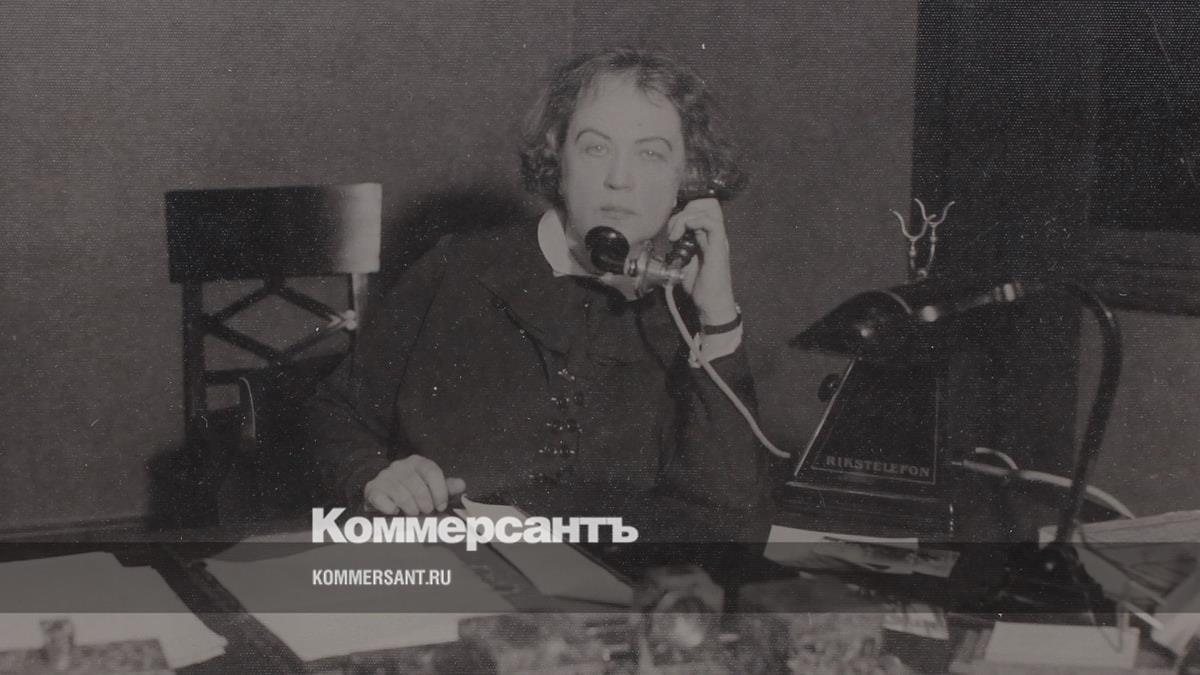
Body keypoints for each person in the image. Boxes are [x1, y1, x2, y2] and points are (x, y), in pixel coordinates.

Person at [304, 47, 769, 542]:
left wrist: (718, 319)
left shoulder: (686, 311)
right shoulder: (459, 268)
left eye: (651, 153)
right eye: (595, 148)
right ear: (558, 160)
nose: (619, 179)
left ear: (687, 179)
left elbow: (729, 519)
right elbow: (335, 417)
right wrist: (375, 476)